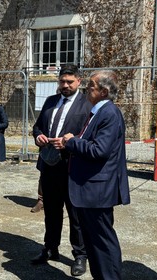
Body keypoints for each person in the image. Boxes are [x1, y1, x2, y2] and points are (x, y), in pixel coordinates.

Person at [61, 70, 130, 280]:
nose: (86, 88)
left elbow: (99, 150)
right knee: (94, 244)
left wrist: (72, 141)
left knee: (102, 243)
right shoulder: (98, 112)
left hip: (97, 192)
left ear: (104, 91)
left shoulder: (109, 113)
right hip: (89, 190)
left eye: (91, 85)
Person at [31, 64, 92, 277]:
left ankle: (80, 255)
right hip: (49, 166)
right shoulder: (50, 101)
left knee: (75, 215)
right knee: (52, 212)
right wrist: (38, 136)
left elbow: (90, 138)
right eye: (62, 81)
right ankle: (50, 248)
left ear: (79, 82)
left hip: (73, 168)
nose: (65, 86)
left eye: (69, 82)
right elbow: (37, 126)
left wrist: (71, 142)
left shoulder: (87, 106)